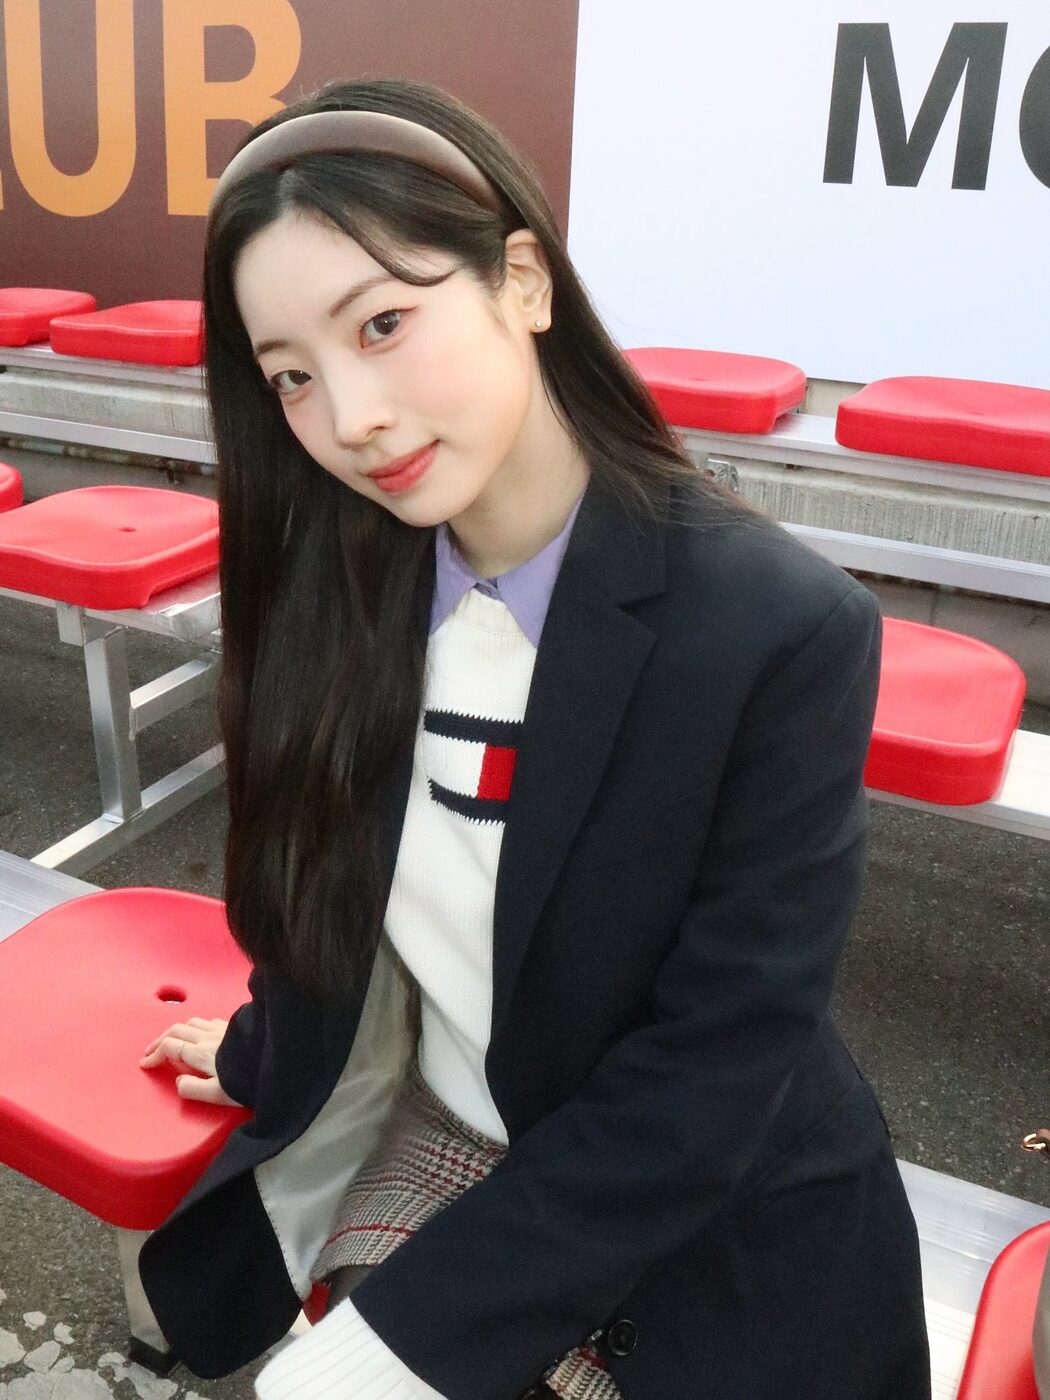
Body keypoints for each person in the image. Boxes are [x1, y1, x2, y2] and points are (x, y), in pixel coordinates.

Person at [136, 76, 931, 1400]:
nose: (352, 418)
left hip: (720, 1218)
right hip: (460, 1131)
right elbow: (322, 898)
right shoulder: (339, 592)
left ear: (521, 280)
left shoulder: (773, 629)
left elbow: (714, 1067)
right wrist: (266, 1051)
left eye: (382, 324)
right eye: (292, 377)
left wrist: (403, 1343)